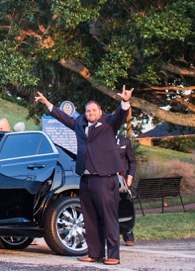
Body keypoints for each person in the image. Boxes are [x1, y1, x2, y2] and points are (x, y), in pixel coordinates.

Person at [35, 86, 133, 266]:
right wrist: (47, 103)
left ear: (100, 112)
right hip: (86, 179)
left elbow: (121, 115)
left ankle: (113, 255)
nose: (91, 113)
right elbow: (64, 118)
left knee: (108, 218)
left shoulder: (109, 123)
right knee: (89, 217)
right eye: (88, 111)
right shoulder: (79, 124)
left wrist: (125, 102)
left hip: (105, 178)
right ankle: (95, 253)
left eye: (94, 110)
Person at [116, 132, 137, 245]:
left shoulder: (125, 141)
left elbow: (132, 161)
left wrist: (130, 176)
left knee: (124, 204)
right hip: (108, 177)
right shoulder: (103, 140)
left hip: (123, 178)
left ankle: (128, 234)